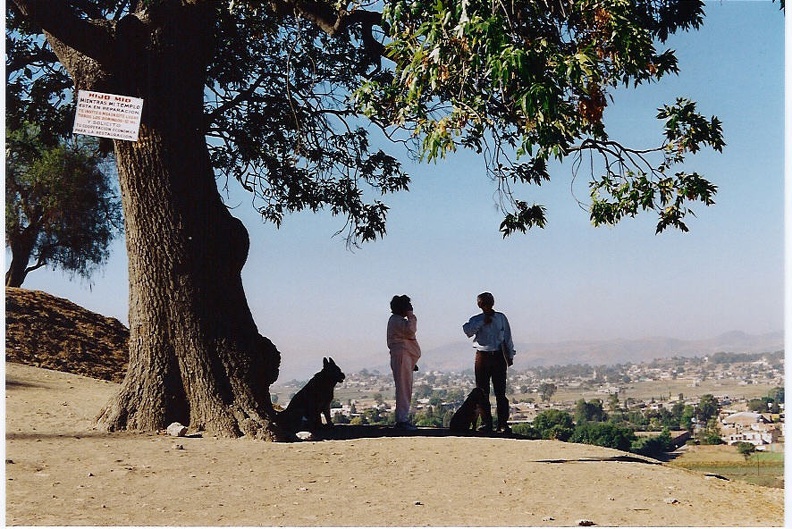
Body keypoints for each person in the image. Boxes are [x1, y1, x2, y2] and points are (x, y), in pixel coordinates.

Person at [462, 292, 515, 433]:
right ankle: (486, 423)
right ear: (480, 305)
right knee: (482, 391)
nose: (487, 306)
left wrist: (510, 355)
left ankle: (503, 423)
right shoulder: (476, 319)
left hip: (498, 355)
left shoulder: (501, 318)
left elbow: (507, 337)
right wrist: (481, 322)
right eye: (484, 303)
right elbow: (467, 331)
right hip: (482, 356)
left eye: (489, 302)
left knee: (500, 391)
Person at [387, 295, 421, 431]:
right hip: (401, 355)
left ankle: (403, 418)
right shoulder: (396, 321)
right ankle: (402, 420)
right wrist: (411, 315)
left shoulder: (397, 320)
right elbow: (410, 330)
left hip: (405, 356)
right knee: (403, 388)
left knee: (405, 387)